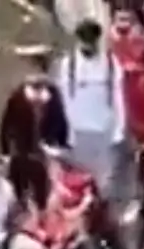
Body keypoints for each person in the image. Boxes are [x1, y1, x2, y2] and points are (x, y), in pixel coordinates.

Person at [55, 19, 127, 195]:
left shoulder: (111, 63)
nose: (89, 47)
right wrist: (64, 132)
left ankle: (102, 211)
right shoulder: (68, 65)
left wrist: (120, 128)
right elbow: (62, 98)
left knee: (104, 181)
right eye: (85, 42)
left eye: (92, 42)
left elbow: (119, 96)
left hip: (103, 129)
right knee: (79, 180)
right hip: (77, 131)